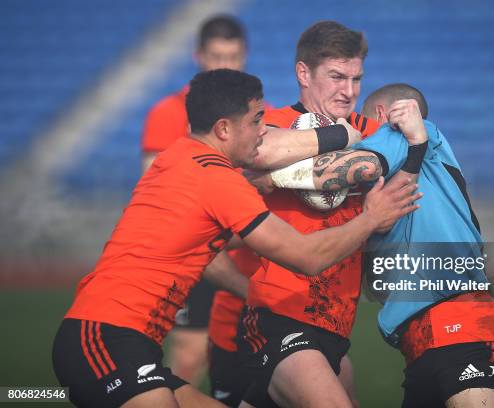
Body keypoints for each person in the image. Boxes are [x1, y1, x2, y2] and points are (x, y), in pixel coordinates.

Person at [51, 69, 419, 408]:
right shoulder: (216, 179)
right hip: (102, 339)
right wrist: (371, 218)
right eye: (257, 120)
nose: (264, 131)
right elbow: (306, 256)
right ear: (224, 129)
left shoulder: (179, 156)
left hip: (129, 346)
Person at [254, 84, 494, 407]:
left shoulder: (398, 133)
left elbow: (346, 168)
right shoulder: (419, 163)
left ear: (381, 116)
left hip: (455, 322)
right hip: (420, 338)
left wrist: (272, 177)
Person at [237, 21, 387, 408]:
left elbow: (407, 165)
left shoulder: (371, 131)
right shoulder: (273, 122)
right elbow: (258, 154)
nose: (349, 91)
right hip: (278, 315)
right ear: (303, 73)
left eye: (356, 78)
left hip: (336, 323)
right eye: (337, 76)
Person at [140, 15, 250, 387]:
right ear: (198, 56)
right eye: (216, 56)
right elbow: (156, 194)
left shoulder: (254, 115)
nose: (224, 65)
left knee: (252, 363)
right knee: (188, 357)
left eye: (232, 56)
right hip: (193, 256)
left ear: (244, 57)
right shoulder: (168, 113)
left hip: (242, 253)